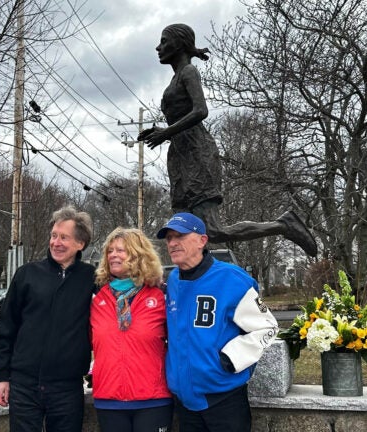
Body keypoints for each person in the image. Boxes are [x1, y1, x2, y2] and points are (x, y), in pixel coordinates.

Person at [138, 23, 317, 257]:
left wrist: (167, 132)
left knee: (212, 230)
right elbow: (183, 115)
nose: (158, 47)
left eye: (164, 41)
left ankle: (283, 225)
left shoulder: (189, 72)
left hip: (197, 154)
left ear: (179, 44)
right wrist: (163, 131)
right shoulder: (175, 79)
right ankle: (196, 275)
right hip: (179, 156)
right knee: (181, 226)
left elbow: (201, 111)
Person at [157, 212, 278, 432]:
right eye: (169, 238)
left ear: (202, 240)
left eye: (180, 236)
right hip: (184, 402)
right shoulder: (173, 280)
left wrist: (231, 359)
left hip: (224, 399)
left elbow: (267, 326)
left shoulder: (233, 279)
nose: (173, 243)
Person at [0, 205, 96, 432]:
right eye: (54, 236)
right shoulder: (27, 274)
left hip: (67, 387)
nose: (56, 242)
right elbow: (5, 329)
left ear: (80, 244)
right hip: (24, 385)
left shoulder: (91, 279)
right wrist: (2, 377)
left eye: (64, 237)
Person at [90, 227, 173, 432]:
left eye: (121, 250)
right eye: (110, 251)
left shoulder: (161, 296)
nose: (113, 255)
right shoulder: (96, 298)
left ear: (138, 255)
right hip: (109, 399)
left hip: (153, 399)